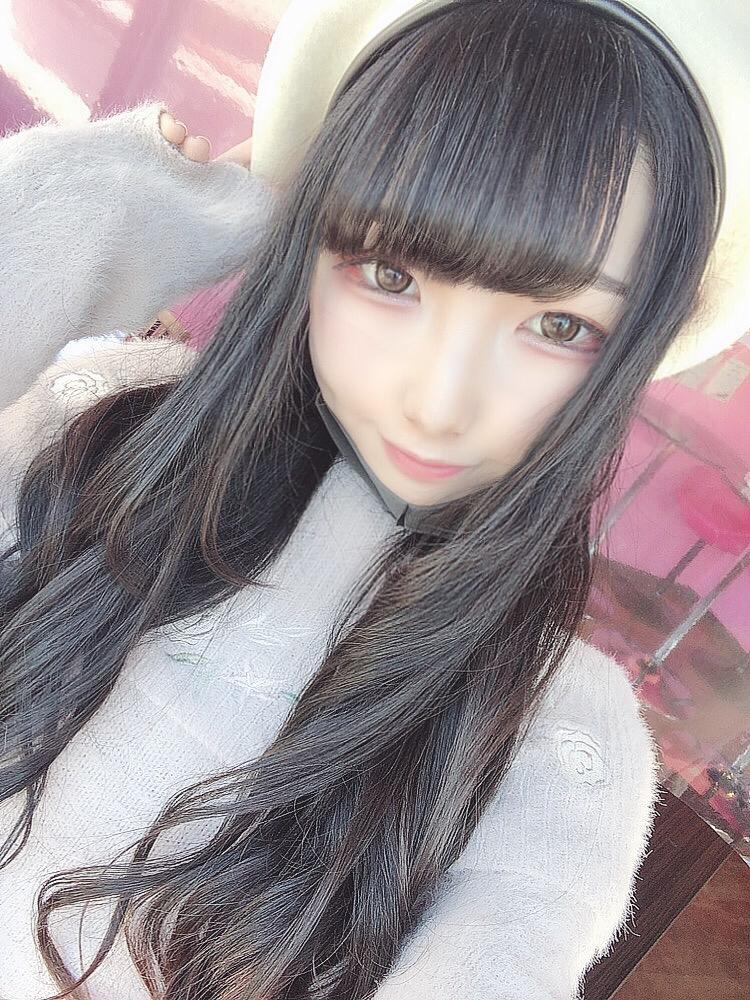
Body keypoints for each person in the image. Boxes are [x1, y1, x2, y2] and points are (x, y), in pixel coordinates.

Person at [0, 0, 746, 997]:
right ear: (310, 239)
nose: (437, 402)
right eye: (390, 273)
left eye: (560, 327)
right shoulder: (105, 441)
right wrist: (107, 205)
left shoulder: (547, 730)